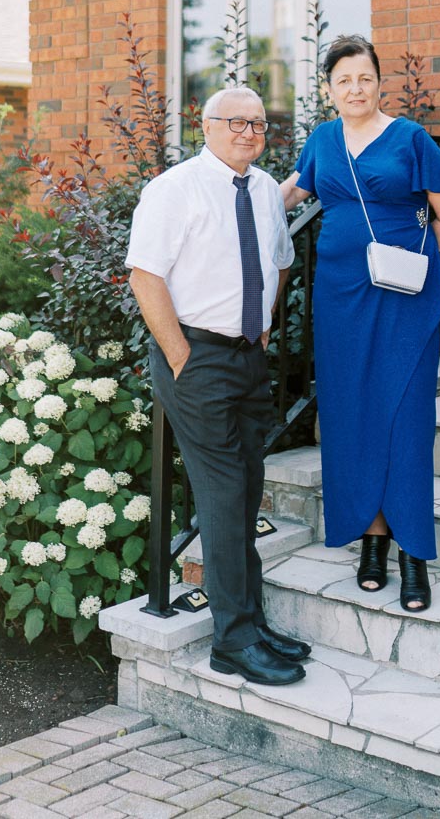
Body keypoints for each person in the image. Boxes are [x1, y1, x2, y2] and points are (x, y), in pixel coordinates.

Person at [126, 86, 310, 686]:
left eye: (258, 124)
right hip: (197, 361)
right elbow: (145, 276)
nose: (249, 133)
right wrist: (181, 356)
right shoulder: (173, 189)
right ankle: (231, 642)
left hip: (247, 359)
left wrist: (257, 330)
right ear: (205, 126)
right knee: (225, 496)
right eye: (236, 122)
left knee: (247, 492)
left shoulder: (263, 190)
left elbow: (280, 260)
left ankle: (250, 624)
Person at [281, 35, 440, 611]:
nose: (355, 89)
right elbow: (289, 195)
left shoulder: (410, 138)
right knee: (351, 415)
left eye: (364, 78)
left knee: (406, 417)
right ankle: (372, 541)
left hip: (403, 300)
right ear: (328, 90)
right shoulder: (322, 139)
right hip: (340, 298)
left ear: (378, 82)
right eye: (343, 81)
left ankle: (414, 553)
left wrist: (411, 263)